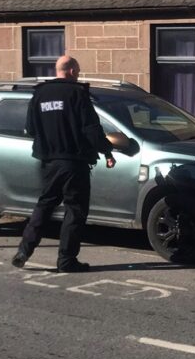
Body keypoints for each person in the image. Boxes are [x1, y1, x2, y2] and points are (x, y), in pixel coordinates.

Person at [11, 55, 116, 273]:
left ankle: (24, 250)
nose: (77, 75)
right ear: (71, 71)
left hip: (49, 162)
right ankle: (66, 260)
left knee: (44, 205)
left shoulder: (39, 94)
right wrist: (106, 150)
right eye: (77, 71)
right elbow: (91, 129)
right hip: (74, 162)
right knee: (75, 211)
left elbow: (30, 128)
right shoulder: (77, 93)